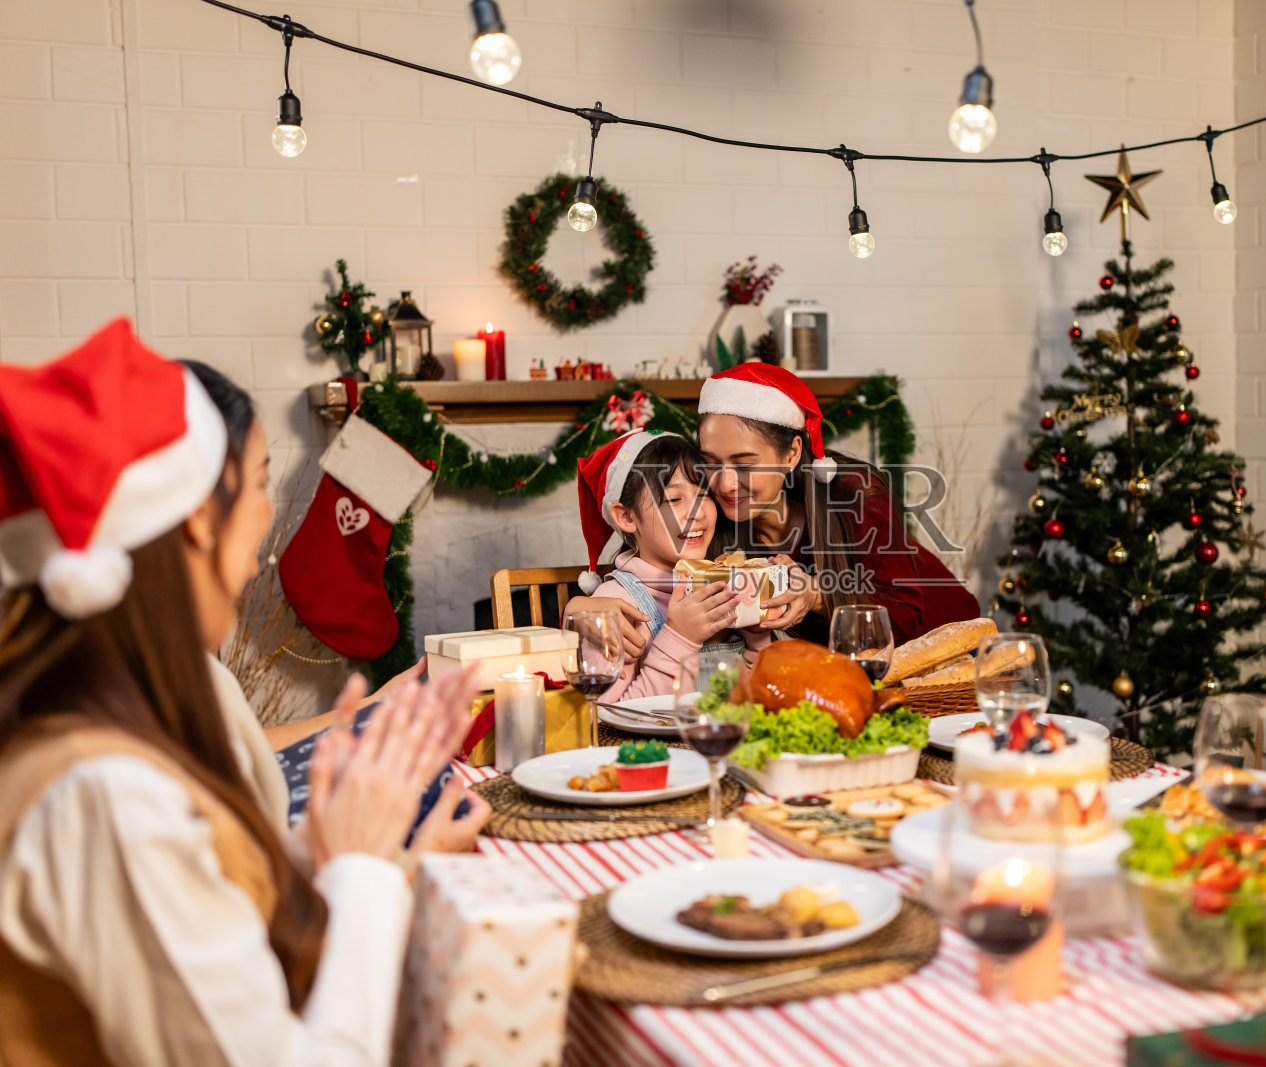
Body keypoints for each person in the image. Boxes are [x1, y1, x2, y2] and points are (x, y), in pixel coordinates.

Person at [0, 319, 476, 1065]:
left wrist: (371, 853)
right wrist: (367, 873)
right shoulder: (103, 794)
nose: (265, 534)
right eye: (258, 485)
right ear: (195, 516)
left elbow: (214, 912)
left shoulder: (127, 717)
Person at [181, 359, 488, 850]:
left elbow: (234, 752)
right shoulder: (117, 764)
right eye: (261, 484)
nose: (267, 517)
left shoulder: (181, 674)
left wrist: (368, 708)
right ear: (199, 517)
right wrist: (399, 864)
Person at [571, 365, 980, 652]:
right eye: (711, 462)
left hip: (939, 654)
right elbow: (649, 556)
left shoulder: (853, 492)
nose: (725, 483)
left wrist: (818, 597)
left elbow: (906, 618)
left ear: (791, 454)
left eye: (745, 464)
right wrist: (581, 607)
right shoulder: (712, 509)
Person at [566, 428, 771, 700]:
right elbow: (604, 716)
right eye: (674, 499)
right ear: (627, 517)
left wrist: (757, 640)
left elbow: (752, 700)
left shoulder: (722, 581)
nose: (697, 512)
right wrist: (679, 637)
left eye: (704, 495)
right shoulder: (616, 606)